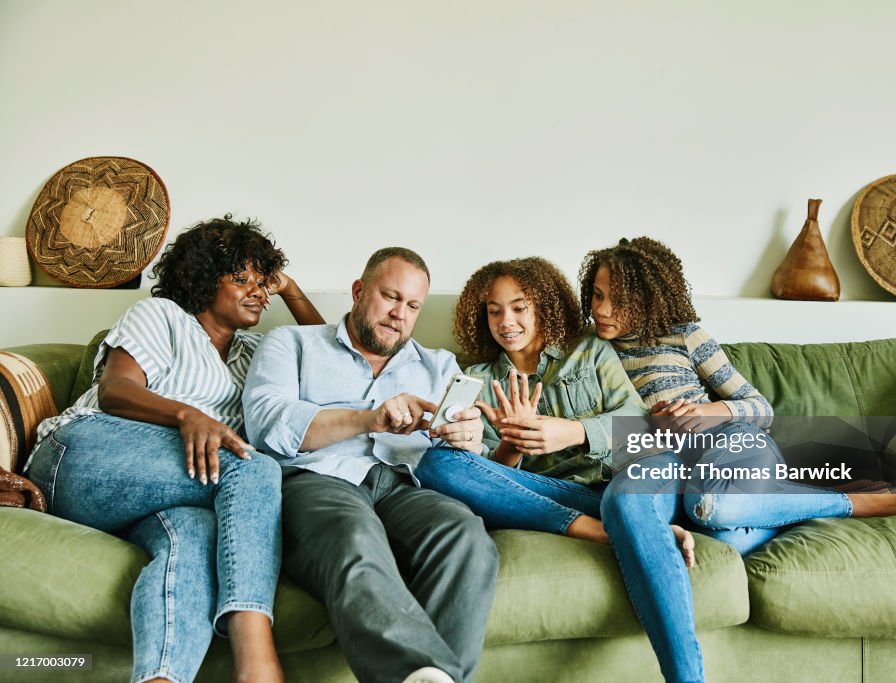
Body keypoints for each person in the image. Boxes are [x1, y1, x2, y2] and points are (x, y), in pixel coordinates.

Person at [26, 215, 325, 683]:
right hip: (84, 453)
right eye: (241, 278)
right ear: (204, 277)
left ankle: (160, 677)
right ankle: (257, 660)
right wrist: (186, 414)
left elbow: (327, 361)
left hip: (169, 489)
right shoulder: (161, 315)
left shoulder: (257, 352)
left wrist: (290, 289)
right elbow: (115, 391)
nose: (258, 292)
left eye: (263, 282)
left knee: (195, 536)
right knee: (252, 467)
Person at [414, 257, 705, 683]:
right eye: (494, 311)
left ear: (544, 306)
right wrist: (512, 446)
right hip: (565, 498)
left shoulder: (588, 350)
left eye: (518, 307)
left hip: (631, 477)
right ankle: (607, 529)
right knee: (436, 462)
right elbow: (494, 479)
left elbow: (642, 423)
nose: (505, 321)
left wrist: (573, 432)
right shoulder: (476, 378)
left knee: (627, 501)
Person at [578, 236, 896, 556]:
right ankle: (797, 500)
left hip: (735, 446)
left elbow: (761, 409)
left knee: (711, 507)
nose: (602, 310)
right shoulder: (589, 352)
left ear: (650, 298)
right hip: (681, 478)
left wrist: (709, 412)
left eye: (620, 301)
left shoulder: (685, 336)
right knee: (727, 542)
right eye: (597, 295)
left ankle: (859, 503)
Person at [241, 247, 499, 683]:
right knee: (354, 535)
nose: (400, 313)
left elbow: (477, 459)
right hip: (319, 481)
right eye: (390, 296)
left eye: (413, 305)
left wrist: (468, 440)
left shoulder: (441, 366)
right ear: (359, 291)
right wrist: (368, 419)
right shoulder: (292, 342)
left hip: (406, 487)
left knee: (466, 535)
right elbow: (266, 425)